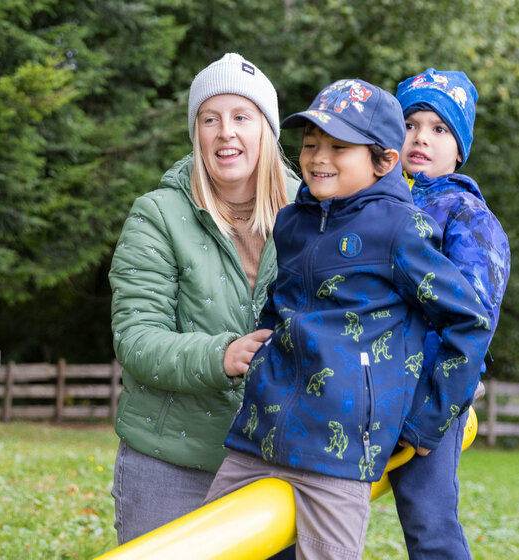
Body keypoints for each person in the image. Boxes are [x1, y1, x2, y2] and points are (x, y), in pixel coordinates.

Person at [203, 78, 494, 560]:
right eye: (311, 143)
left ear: (383, 161)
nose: (319, 157)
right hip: (257, 439)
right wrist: (262, 354)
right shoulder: (293, 221)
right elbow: (281, 302)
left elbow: (469, 322)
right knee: (216, 549)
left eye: (340, 147)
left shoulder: (401, 230)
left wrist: (429, 420)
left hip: (337, 458)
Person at [108, 52, 300, 545]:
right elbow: (137, 338)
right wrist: (221, 355)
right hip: (171, 461)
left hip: (279, 463)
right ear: (197, 133)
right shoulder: (157, 215)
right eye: (210, 119)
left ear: (267, 130)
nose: (225, 133)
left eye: (241, 117)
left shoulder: (313, 214)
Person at [388, 67, 511, 559]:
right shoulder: (375, 205)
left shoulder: (467, 215)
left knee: (429, 522)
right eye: (411, 123)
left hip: (429, 395)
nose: (421, 138)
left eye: (439, 129)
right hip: (363, 387)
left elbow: (473, 320)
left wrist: (434, 413)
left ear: (459, 147)